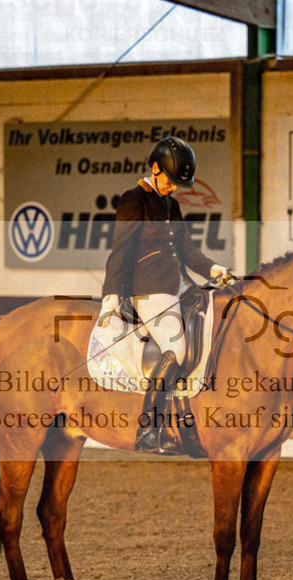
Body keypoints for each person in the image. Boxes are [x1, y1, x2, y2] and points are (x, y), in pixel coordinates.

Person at [99, 136, 231, 453]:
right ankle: (150, 427)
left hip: (178, 285)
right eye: (169, 181)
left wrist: (214, 269)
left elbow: (186, 250)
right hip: (148, 289)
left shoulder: (170, 204)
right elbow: (120, 251)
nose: (173, 187)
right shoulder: (134, 199)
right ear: (155, 169)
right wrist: (111, 297)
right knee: (177, 348)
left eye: (176, 184)